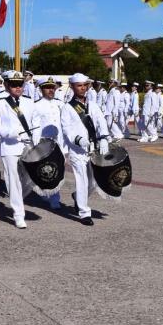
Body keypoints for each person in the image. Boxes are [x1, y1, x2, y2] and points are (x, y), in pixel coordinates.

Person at [60, 73, 110, 226]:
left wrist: (103, 139)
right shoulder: (67, 108)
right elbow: (66, 129)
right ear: (73, 87)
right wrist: (79, 140)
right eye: (78, 85)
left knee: (93, 182)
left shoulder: (93, 105)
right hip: (78, 150)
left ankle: (77, 197)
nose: (82, 88)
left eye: (84, 85)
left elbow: (101, 122)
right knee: (81, 181)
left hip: (94, 149)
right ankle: (84, 213)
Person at [0, 70, 34, 229]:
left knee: (29, 179)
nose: (18, 87)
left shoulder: (29, 102)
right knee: (13, 181)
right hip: (10, 146)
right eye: (14, 84)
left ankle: (19, 200)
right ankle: (18, 214)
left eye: (20, 84)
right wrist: (13, 134)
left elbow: (36, 120)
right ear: (6, 85)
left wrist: (34, 137)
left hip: (27, 146)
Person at [31, 76, 66, 209]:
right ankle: (48, 195)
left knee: (58, 171)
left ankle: (54, 197)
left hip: (59, 143)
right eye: (47, 87)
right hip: (44, 143)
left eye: (52, 87)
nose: (51, 90)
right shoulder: (36, 106)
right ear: (41, 89)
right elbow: (35, 127)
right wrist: (36, 145)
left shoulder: (60, 104)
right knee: (46, 170)